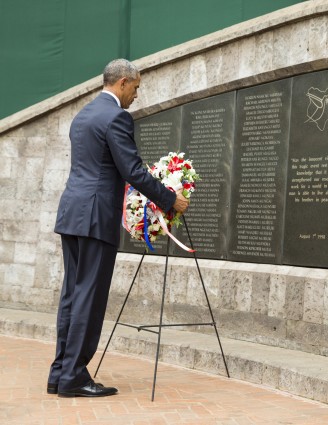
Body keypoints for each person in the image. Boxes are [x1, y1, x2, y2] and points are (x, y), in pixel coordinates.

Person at [47, 59, 189, 397]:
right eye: (136, 88)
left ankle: (59, 373)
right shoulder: (117, 117)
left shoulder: (82, 115)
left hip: (72, 213)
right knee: (89, 298)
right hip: (96, 217)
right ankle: (75, 377)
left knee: (72, 294)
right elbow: (132, 171)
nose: (136, 96)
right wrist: (170, 199)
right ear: (123, 83)